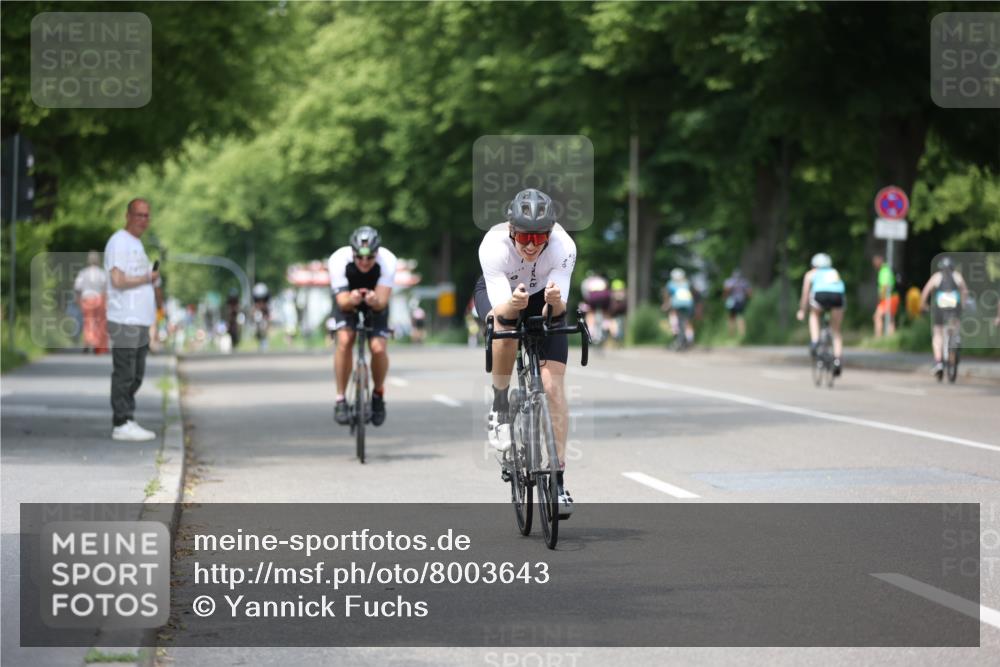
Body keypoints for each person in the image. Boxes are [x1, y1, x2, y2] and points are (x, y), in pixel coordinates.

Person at [475, 188, 577, 516]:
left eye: (539, 237)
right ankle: (500, 404)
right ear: (511, 230)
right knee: (505, 329)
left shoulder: (563, 247)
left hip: (545, 298)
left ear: (550, 233)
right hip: (504, 295)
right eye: (523, 237)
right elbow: (500, 314)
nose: (531, 245)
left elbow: (556, 313)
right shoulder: (493, 246)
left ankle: (558, 480)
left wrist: (554, 302)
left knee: (552, 388)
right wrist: (513, 305)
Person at [329, 226, 397, 427]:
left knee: (378, 348)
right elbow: (342, 302)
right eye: (359, 257)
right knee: (344, 340)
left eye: (370, 257)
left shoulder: (388, 260)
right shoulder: (338, 260)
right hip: (348, 302)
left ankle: (378, 394)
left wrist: (374, 301)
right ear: (352, 252)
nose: (365, 262)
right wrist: (352, 299)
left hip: (375, 304)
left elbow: (382, 302)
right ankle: (340, 399)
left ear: (377, 253)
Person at [104, 198, 159, 441]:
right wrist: (147, 278)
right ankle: (121, 421)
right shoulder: (119, 241)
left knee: (136, 374)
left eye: (147, 215)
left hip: (140, 320)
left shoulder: (137, 243)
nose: (143, 220)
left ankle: (128, 418)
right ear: (127, 215)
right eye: (139, 215)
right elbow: (117, 280)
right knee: (125, 373)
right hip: (124, 318)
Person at [796, 252, 846, 376]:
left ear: (814, 265)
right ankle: (837, 360)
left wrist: (802, 310)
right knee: (836, 331)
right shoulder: (834, 272)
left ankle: (815, 341)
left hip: (820, 296)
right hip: (837, 298)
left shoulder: (811, 274)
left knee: (814, 315)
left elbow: (805, 295)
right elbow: (842, 290)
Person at [920, 256, 968, 379]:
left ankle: (938, 362)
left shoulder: (937, 277)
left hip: (940, 309)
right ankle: (956, 338)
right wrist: (963, 305)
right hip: (954, 308)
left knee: (938, 334)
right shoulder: (957, 276)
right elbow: (964, 291)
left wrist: (923, 306)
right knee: (955, 327)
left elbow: (925, 291)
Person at [74, 250, 109, 354]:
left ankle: (88, 342)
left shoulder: (83, 273)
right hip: (98, 298)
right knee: (98, 322)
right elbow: (105, 288)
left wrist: (77, 299)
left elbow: (77, 287)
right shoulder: (102, 273)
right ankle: (96, 343)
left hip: (86, 298)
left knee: (88, 321)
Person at [662, 268, 695, 347]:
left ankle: (679, 340)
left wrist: (665, 304)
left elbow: (667, 294)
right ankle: (688, 339)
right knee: (686, 321)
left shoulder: (671, 284)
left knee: (677, 321)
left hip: (677, 305)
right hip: (688, 304)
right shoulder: (686, 283)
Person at [579, 271, 610, 343]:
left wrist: (587, 303)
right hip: (604, 297)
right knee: (605, 311)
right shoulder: (602, 280)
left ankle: (591, 330)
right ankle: (606, 324)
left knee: (591, 312)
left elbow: (585, 294)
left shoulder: (586, 282)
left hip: (593, 297)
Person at [873, 254, 898, 337]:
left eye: (875, 262)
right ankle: (891, 338)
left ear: (879, 261)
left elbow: (885, 286)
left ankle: (878, 338)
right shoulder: (887, 269)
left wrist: (880, 299)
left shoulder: (884, 271)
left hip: (889, 298)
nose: (874, 265)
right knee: (890, 319)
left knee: (877, 316)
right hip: (892, 297)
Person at [722, 268, 752, 337]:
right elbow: (749, 293)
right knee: (741, 317)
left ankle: (731, 335)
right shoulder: (744, 282)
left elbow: (726, 291)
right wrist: (746, 297)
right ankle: (742, 334)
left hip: (732, 301)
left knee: (731, 317)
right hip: (741, 301)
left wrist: (725, 298)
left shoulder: (729, 281)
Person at [251, 282, 271, 350]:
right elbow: (253, 311)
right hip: (258, 316)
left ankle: (264, 340)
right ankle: (258, 335)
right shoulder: (255, 305)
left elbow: (268, 312)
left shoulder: (266, 305)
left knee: (265, 327)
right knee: (257, 323)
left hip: (264, 316)